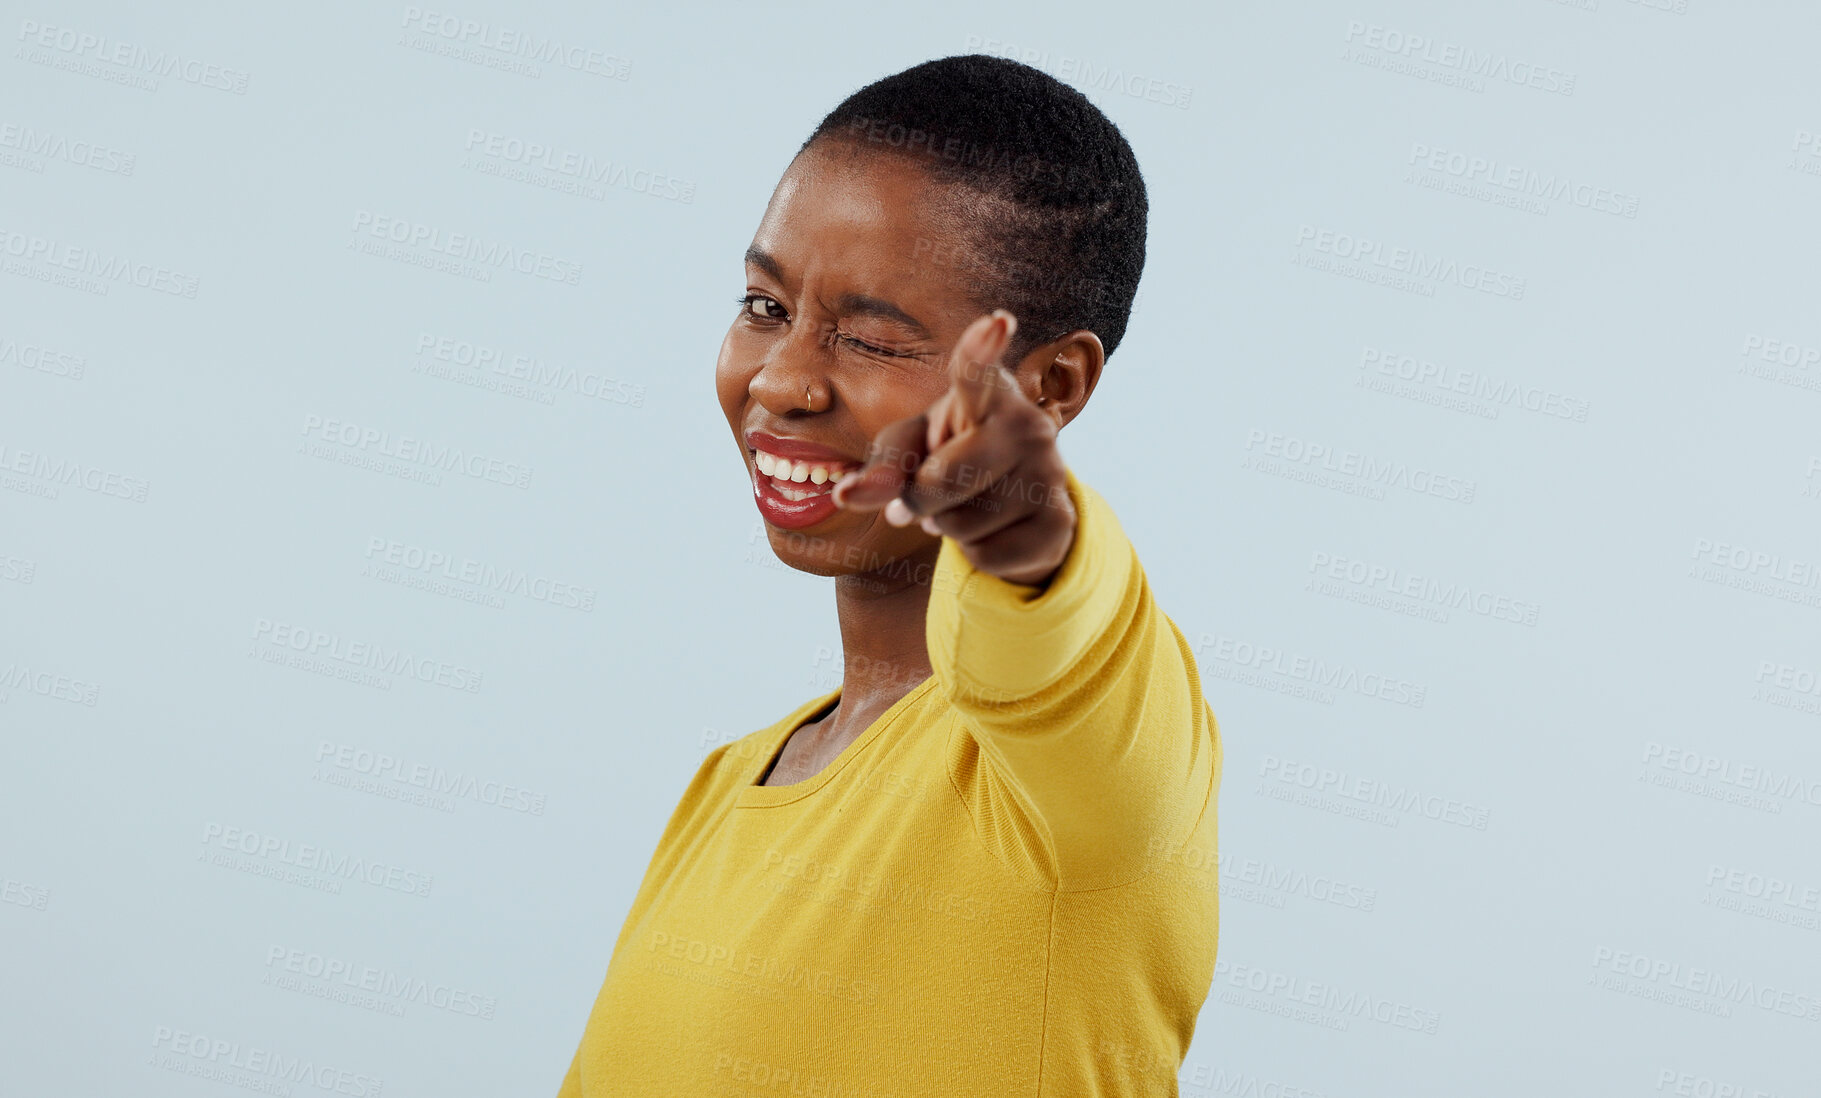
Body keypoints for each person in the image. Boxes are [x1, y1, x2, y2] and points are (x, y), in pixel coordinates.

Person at [557, 53, 1222, 1096]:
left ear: (1049, 387)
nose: (780, 380)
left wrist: (1017, 521)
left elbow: (1060, 627)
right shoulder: (726, 786)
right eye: (766, 307)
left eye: (867, 336)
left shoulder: (1081, 779)